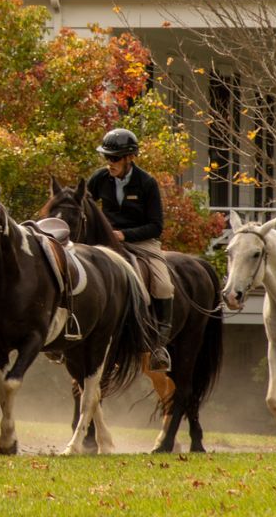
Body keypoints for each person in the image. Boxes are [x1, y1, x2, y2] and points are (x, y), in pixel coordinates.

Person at [84, 127, 175, 371]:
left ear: (129, 158)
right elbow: (84, 207)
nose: (109, 163)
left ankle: (158, 346)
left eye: (114, 158)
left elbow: (156, 227)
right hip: (107, 243)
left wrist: (124, 234)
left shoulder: (147, 183)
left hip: (142, 242)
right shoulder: (98, 179)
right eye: (107, 157)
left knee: (164, 285)